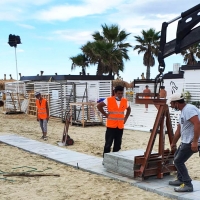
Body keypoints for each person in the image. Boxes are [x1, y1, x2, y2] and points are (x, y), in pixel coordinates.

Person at [168, 93, 200, 192]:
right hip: (185, 140)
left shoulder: (189, 109)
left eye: (172, 104)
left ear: (176, 103)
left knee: (178, 161)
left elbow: (197, 123)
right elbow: (179, 129)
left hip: (192, 141)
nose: (172, 106)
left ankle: (188, 184)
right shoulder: (183, 111)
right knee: (176, 156)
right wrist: (173, 143)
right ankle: (180, 179)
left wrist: (195, 142)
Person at [97, 85, 131, 158]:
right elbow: (99, 106)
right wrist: (105, 114)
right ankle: (106, 159)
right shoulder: (109, 99)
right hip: (111, 126)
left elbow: (129, 109)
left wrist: (125, 118)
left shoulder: (125, 101)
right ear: (115, 93)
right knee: (108, 144)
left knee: (118, 145)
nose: (120, 95)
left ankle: (115, 160)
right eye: (118, 93)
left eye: (121, 93)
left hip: (120, 126)